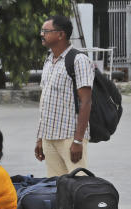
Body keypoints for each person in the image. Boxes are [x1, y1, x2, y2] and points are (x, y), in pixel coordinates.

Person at [34, 15, 94, 177]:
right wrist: (40, 138)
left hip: (69, 137)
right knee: (56, 188)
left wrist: (78, 141)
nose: (42, 34)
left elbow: (86, 101)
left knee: (79, 185)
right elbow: (44, 102)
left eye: (46, 31)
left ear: (60, 34)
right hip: (49, 137)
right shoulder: (49, 61)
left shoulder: (78, 60)